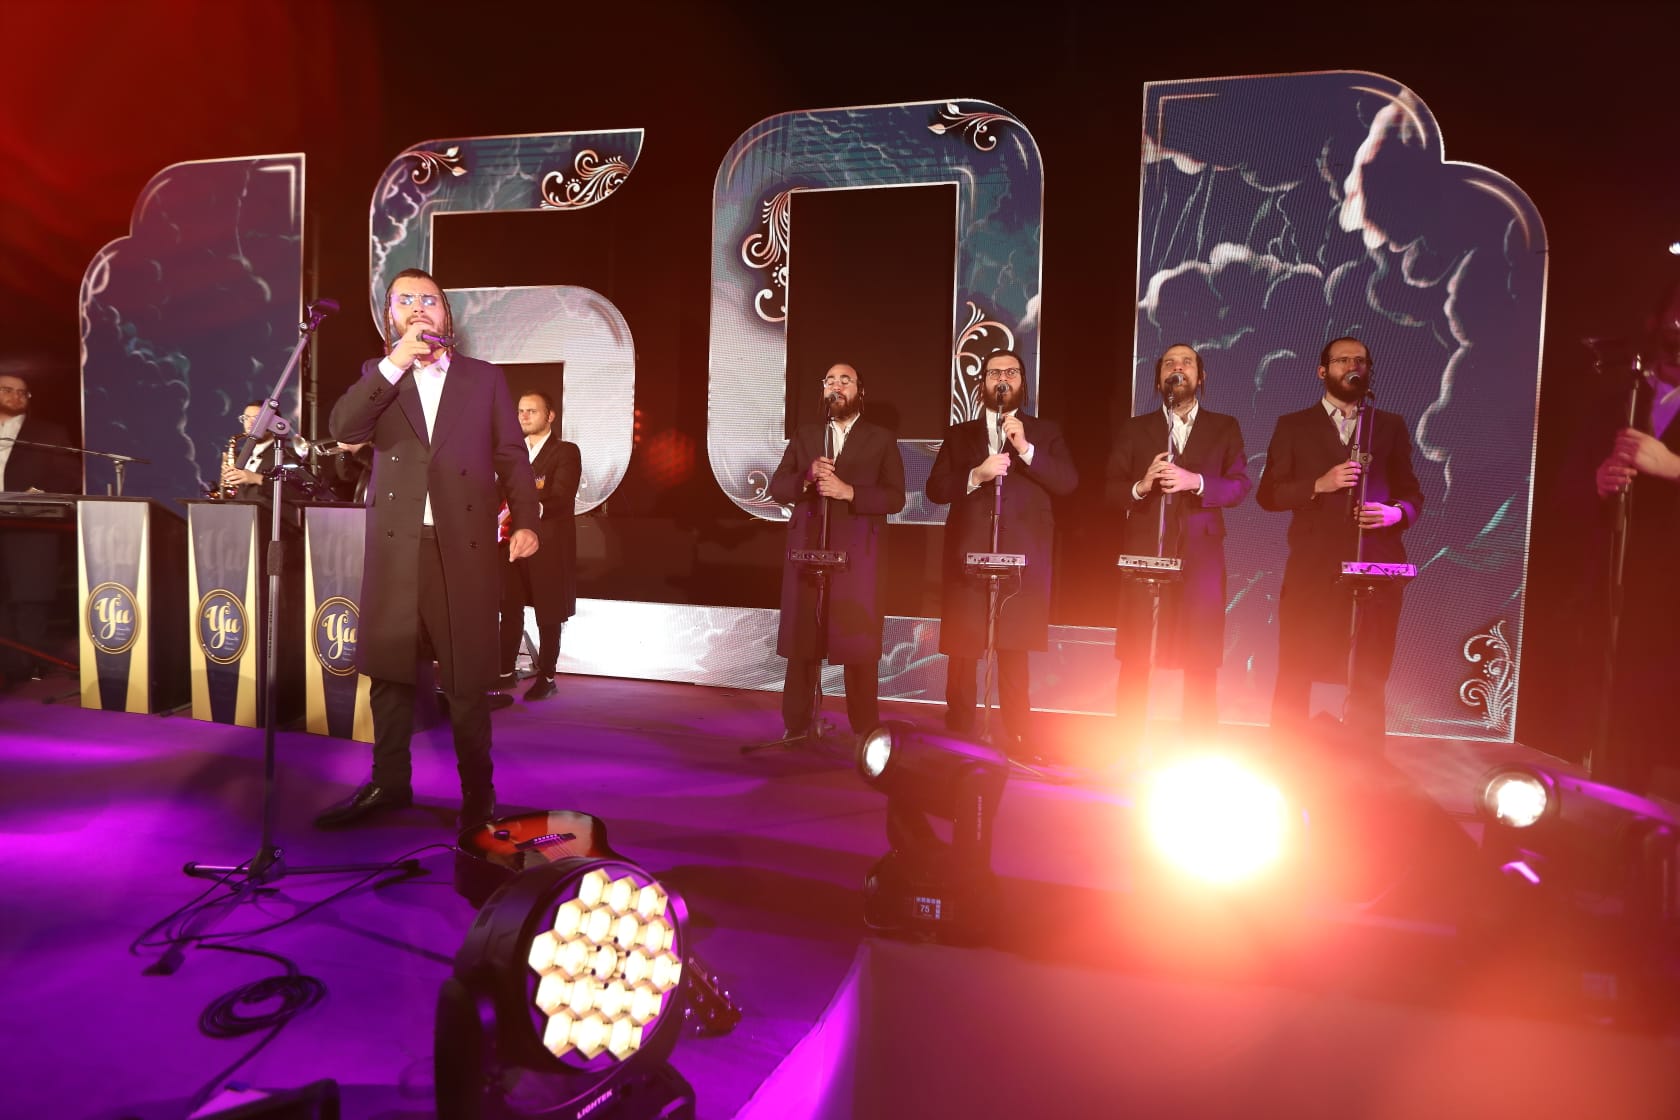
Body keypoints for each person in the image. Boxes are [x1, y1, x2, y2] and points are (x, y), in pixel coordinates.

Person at [315, 268, 539, 830]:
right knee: (390, 673)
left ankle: (478, 794)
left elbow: (511, 455)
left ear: (447, 314)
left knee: (465, 680)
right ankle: (388, 784)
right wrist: (395, 362)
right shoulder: (380, 376)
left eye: (429, 300)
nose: (418, 308)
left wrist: (527, 521)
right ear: (390, 316)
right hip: (397, 547)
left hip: (461, 546)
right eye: (405, 300)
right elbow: (343, 427)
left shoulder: (483, 378)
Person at [1257, 336, 1424, 739]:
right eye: (1343, 360)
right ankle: (1287, 754)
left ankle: (1366, 759)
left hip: (1375, 563)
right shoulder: (1293, 425)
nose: (1353, 366)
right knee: (1297, 666)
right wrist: (1319, 484)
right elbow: (1269, 495)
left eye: (1361, 361)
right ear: (1323, 371)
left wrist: (1395, 512)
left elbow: (1412, 494)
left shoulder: (1389, 425)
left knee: (1369, 670)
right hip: (1313, 568)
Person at [927, 349, 1078, 756]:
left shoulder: (1045, 431)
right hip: (969, 554)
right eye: (994, 373)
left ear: (1022, 383)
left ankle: (1017, 735)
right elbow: (936, 489)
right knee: (963, 648)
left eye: (1011, 372)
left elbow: (1067, 482)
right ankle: (960, 727)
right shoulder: (960, 434)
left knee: (1013, 648)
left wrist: (1025, 448)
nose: (1002, 379)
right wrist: (976, 475)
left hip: (1021, 560)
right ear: (983, 384)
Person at [1106, 344, 1250, 737]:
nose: (1178, 367)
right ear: (1159, 380)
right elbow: (1111, 490)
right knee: (1138, 651)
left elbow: (1239, 486)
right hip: (1145, 549)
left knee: (1200, 652)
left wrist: (1196, 482)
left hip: (1202, 554)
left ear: (1201, 377)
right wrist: (1142, 485)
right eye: (1169, 363)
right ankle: (1127, 740)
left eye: (1187, 362)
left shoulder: (1225, 426)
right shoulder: (1135, 428)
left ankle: (1197, 744)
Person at [768, 363, 907, 739]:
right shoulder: (807, 435)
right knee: (803, 641)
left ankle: (865, 730)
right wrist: (806, 478)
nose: (837, 386)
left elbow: (895, 497)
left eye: (845, 380)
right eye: (830, 380)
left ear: (860, 390)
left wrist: (850, 492)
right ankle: (797, 726)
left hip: (857, 556)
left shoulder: (881, 438)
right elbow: (778, 487)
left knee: (857, 642)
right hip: (808, 549)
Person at [1593, 292, 1680, 793]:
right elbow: (1560, 477)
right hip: (1622, 585)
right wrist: (1598, 479)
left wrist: (1673, 467)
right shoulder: (1623, 391)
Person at [497, 391, 581, 702]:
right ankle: (503, 673)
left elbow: (562, 497)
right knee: (509, 607)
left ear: (550, 416)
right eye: (521, 410)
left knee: (548, 612)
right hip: (509, 542)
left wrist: (526, 510)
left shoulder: (565, 452)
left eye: (532, 411)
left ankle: (547, 677)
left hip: (548, 543)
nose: (524, 416)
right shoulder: (511, 452)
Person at [0, 371, 79, 686]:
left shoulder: (48, 432)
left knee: (30, 601)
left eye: (23, 392)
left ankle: (28, 667)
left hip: (30, 525)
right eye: (8, 390)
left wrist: (40, 492)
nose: (17, 396)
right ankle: (6, 666)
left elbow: (70, 475)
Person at [220, 399, 310, 502]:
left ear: (274, 423)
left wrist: (257, 478)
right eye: (246, 418)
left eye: (257, 418)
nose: (250, 423)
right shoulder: (238, 455)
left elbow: (300, 494)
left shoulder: (289, 455)